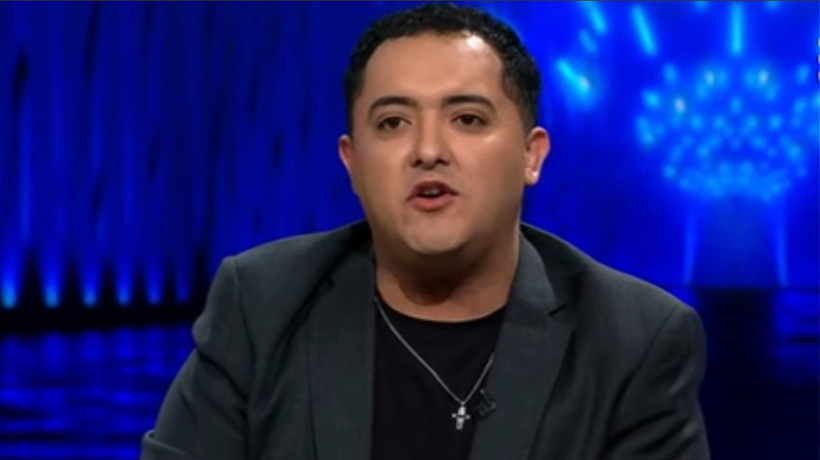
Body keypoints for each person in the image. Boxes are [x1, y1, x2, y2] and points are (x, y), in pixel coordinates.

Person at [140, 3, 710, 460]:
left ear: (531, 155)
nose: (428, 150)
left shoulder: (633, 340)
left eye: (467, 119)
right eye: (393, 123)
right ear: (353, 163)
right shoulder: (262, 304)